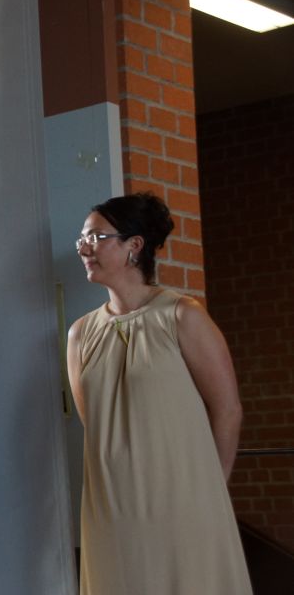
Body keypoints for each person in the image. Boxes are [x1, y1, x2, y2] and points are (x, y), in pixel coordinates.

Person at [66, 192, 252, 595]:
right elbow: (94, 423)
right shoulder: (80, 334)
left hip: (184, 500)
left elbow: (227, 409)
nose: (83, 248)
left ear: (134, 245)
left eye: (95, 237)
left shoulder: (182, 315)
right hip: (111, 505)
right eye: (82, 238)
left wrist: (211, 489)